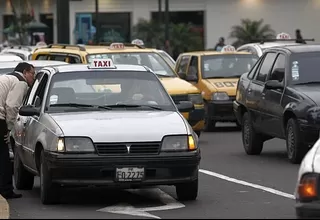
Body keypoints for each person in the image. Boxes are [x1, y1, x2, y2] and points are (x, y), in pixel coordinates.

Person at [0, 62, 35, 199]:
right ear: (25, 72)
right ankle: (6, 190)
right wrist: (8, 128)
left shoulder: (7, 78)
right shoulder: (21, 82)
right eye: (33, 73)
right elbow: (13, 106)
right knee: (3, 156)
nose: (33, 77)